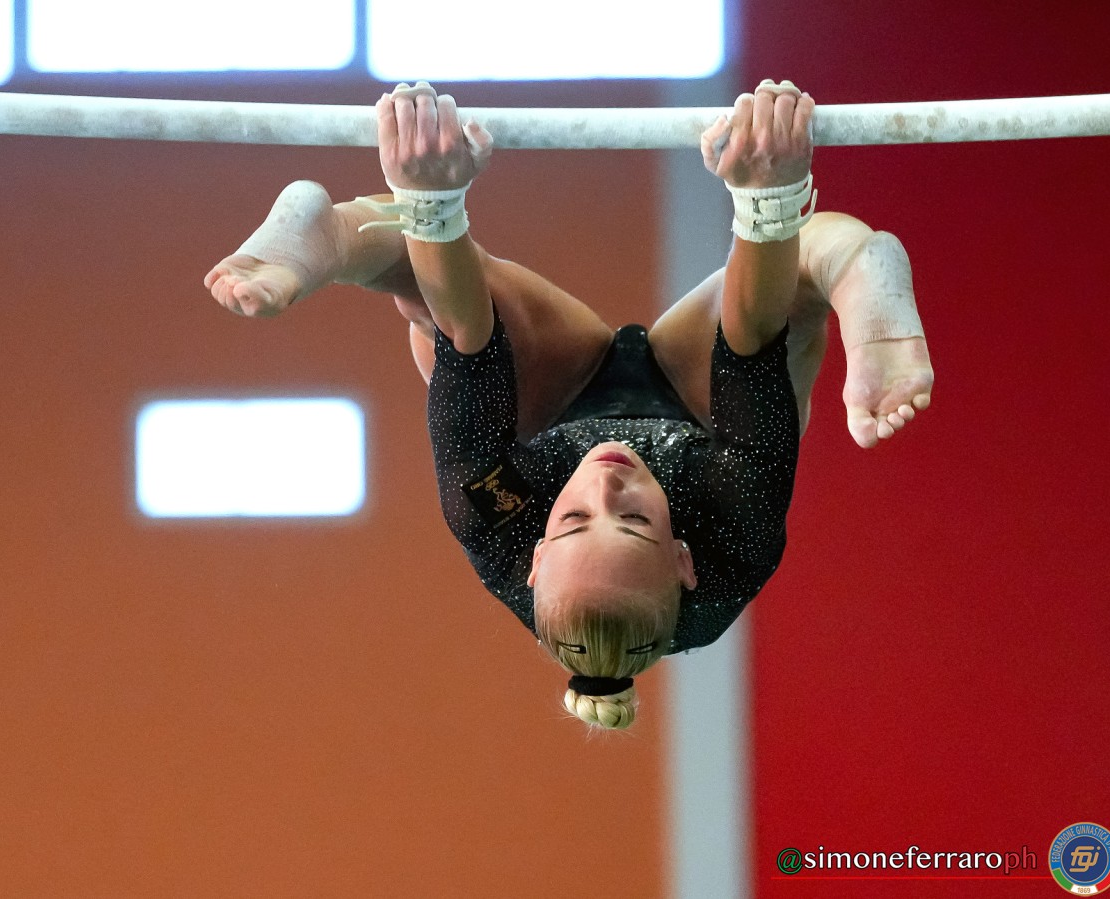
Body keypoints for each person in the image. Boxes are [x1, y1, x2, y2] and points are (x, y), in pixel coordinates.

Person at [204, 81, 933, 730]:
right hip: (703, 407)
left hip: (554, 399)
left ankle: (329, 235)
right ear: (683, 560)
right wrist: (767, 195)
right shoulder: (731, 538)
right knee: (795, 281)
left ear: (535, 556)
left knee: (435, 299)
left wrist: (432, 202)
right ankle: (861, 275)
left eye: (576, 518)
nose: (607, 486)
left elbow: (468, 341)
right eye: (635, 522)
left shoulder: (497, 517)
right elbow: (749, 343)